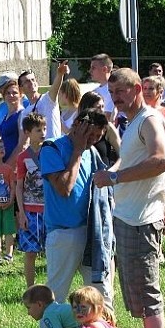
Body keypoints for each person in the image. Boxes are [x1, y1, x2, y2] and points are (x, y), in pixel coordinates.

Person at [94, 68, 165, 328]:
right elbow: (134, 165)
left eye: (122, 92)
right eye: (112, 94)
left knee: (148, 296)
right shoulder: (131, 123)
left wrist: (113, 178)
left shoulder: (150, 120)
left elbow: (161, 161)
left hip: (141, 221)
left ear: (138, 88)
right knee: (137, 298)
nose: (116, 98)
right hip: (128, 217)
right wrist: (113, 170)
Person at [39, 109, 114, 307]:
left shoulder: (92, 151)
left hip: (92, 233)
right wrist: (78, 151)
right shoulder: (51, 148)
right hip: (63, 234)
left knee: (102, 296)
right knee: (55, 297)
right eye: (90, 136)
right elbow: (64, 188)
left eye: (97, 138)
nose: (92, 141)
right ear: (77, 125)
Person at [15, 113, 48, 288]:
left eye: (44, 128)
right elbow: (19, 186)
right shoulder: (23, 157)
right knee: (30, 252)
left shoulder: (51, 151)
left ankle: (53, 286)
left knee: (52, 251)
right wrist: (21, 212)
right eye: (38, 130)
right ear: (28, 132)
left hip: (50, 210)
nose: (43, 133)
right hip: (30, 209)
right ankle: (30, 288)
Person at [12, 65, 64, 163]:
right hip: (39, 155)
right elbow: (23, 141)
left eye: (33, 80)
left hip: (55, 149)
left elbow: (56, 87)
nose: (31, 83)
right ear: (21, 88)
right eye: (27, 81)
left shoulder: (48, 99)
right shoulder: (24, 113)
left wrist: (60, 74)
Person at [79, 91, 120, 167]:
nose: (102, 111)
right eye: (98, 107)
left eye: (103, 106)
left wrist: (111, 172)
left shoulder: (108, 128)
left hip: (105, 175)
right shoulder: (78, 129)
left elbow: (123, 155)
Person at [141, 75, 165, 144]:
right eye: (145, 88)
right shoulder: (138, 112)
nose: (146, 91)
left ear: (160, 92)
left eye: (151, 88)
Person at [0, 77, 24, 162]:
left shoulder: (22, 114)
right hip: (3, 160)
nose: (11, 95)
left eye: (14, 93)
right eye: (7, 93)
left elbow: (22, 145)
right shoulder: (5, 115)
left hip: (16, 163)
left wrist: (9, 165)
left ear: (20, 95)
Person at [89, 53, 115, 121]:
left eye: (93, 68)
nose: (90, 71)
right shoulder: (94, 91)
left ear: (104, 69)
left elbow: (107, 117)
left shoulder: (113, 90)